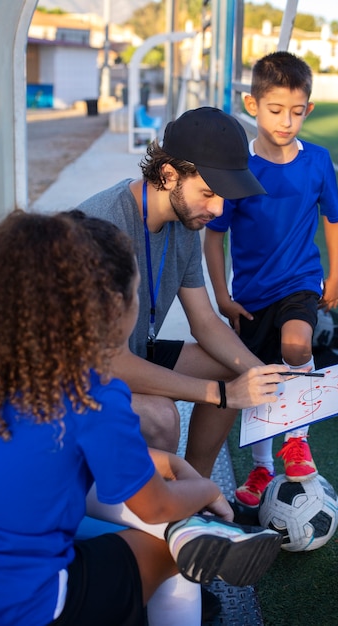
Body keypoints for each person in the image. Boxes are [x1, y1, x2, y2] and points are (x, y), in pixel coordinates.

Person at [0, 210, 283, 626]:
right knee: (174, 550)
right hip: (27, 607)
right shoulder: (92, 394)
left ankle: (196, 532)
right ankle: (196, 535)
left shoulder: (8, 367)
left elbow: (56, 457)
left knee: (152, 510)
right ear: (114, 309)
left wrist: (170, 463)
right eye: (136, 291)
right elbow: (156, 504)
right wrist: (203, 489)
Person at [78, 106, 291, 482]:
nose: (218, 208)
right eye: (208, 193)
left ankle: (198, 494)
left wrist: (259, 372)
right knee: (162, 417)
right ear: (168, 174)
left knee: (234, 367)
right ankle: (162, 522)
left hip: (132, 352)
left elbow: (206, 321)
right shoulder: (102, 228)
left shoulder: (184, 223)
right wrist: (220, 395)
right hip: (76, 375)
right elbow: (109, 363)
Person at [204, 51, 338, 509]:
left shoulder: (318, 161)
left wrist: (336, 275)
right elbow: (214, 238)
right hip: (249, 297)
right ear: (252, 105)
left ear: (310, 109)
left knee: (297, 348)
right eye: (275, 109)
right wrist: (222, 296)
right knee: (261, 378)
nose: (287, 121)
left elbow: (334, 220)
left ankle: (297, 441)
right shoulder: (239, 169)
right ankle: (263, 465)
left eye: (297, 111)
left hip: (301, 283)